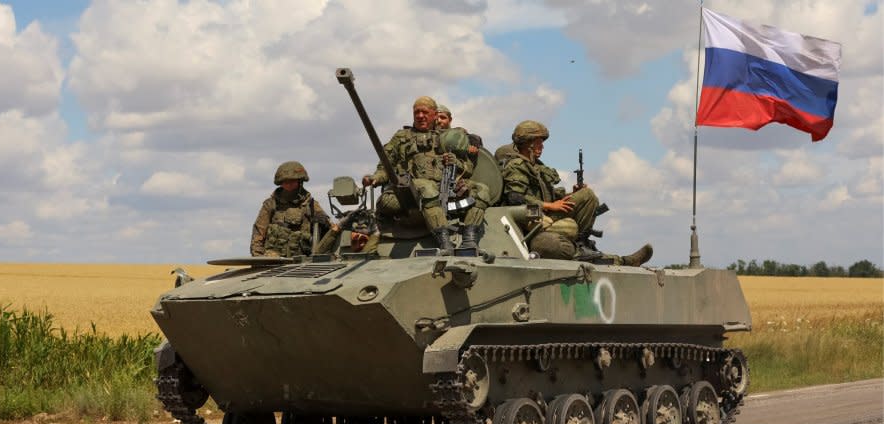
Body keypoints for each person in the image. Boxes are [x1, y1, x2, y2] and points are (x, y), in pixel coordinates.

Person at [501, 120, 652, 266]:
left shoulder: (537, 167)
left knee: (587, 196)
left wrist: (568, 195)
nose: (542, 146)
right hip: (533, 223)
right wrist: (550, 206)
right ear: (528, 143)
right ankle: (618, 260)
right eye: (539, 142)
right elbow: (515, 197)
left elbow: (546, 194)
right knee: (557, 246)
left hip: (546, 216)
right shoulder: (516, 166)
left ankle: (582, 243)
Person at [363, 97, 490, 250]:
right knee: (427, 187)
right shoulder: (401, 137)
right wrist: (374, 179)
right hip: (410, 193)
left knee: (482, 190)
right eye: (417, 112)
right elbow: (385, 167)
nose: (420, 115)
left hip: (446, 189)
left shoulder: (450, 136)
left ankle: (469, 240)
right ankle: (444, 242)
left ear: (435, 115)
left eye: (425, 112)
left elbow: (467, 168)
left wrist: (456, 164)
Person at [251, 161, 334, 257]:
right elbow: (259, 232)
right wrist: (258, 258)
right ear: (280, 183)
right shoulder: (271, 204)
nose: (289, 184)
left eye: (292, 181)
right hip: (273, 259)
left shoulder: (310, 205)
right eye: (285, 181)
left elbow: (330, 230)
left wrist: (324, 224)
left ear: (300, 182)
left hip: (301, 259)